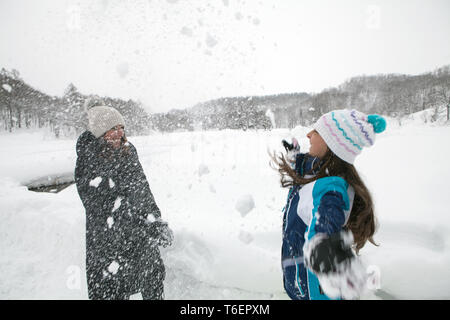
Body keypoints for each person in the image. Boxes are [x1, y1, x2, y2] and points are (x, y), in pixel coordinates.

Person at [271, 109, 386, 300]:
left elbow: (326, 217)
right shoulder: (321, 173)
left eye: (316, 131)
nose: (308, 134)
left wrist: (322, 244)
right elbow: (305, 174)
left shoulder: (331, 189)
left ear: (332, 143)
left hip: (317, 289)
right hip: (303, 281)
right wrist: (294, 155)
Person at [75, 97, 174, 300]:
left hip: (137, 236)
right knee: (111, 290)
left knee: (152, 281)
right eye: (113, 129)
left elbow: (142, 189)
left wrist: (154, 219)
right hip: (107, 240)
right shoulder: (88, 155)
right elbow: (99, 203)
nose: (119, 133)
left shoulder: (128, 151)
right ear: (100, 133)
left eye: (121, 127)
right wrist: (138, 219)